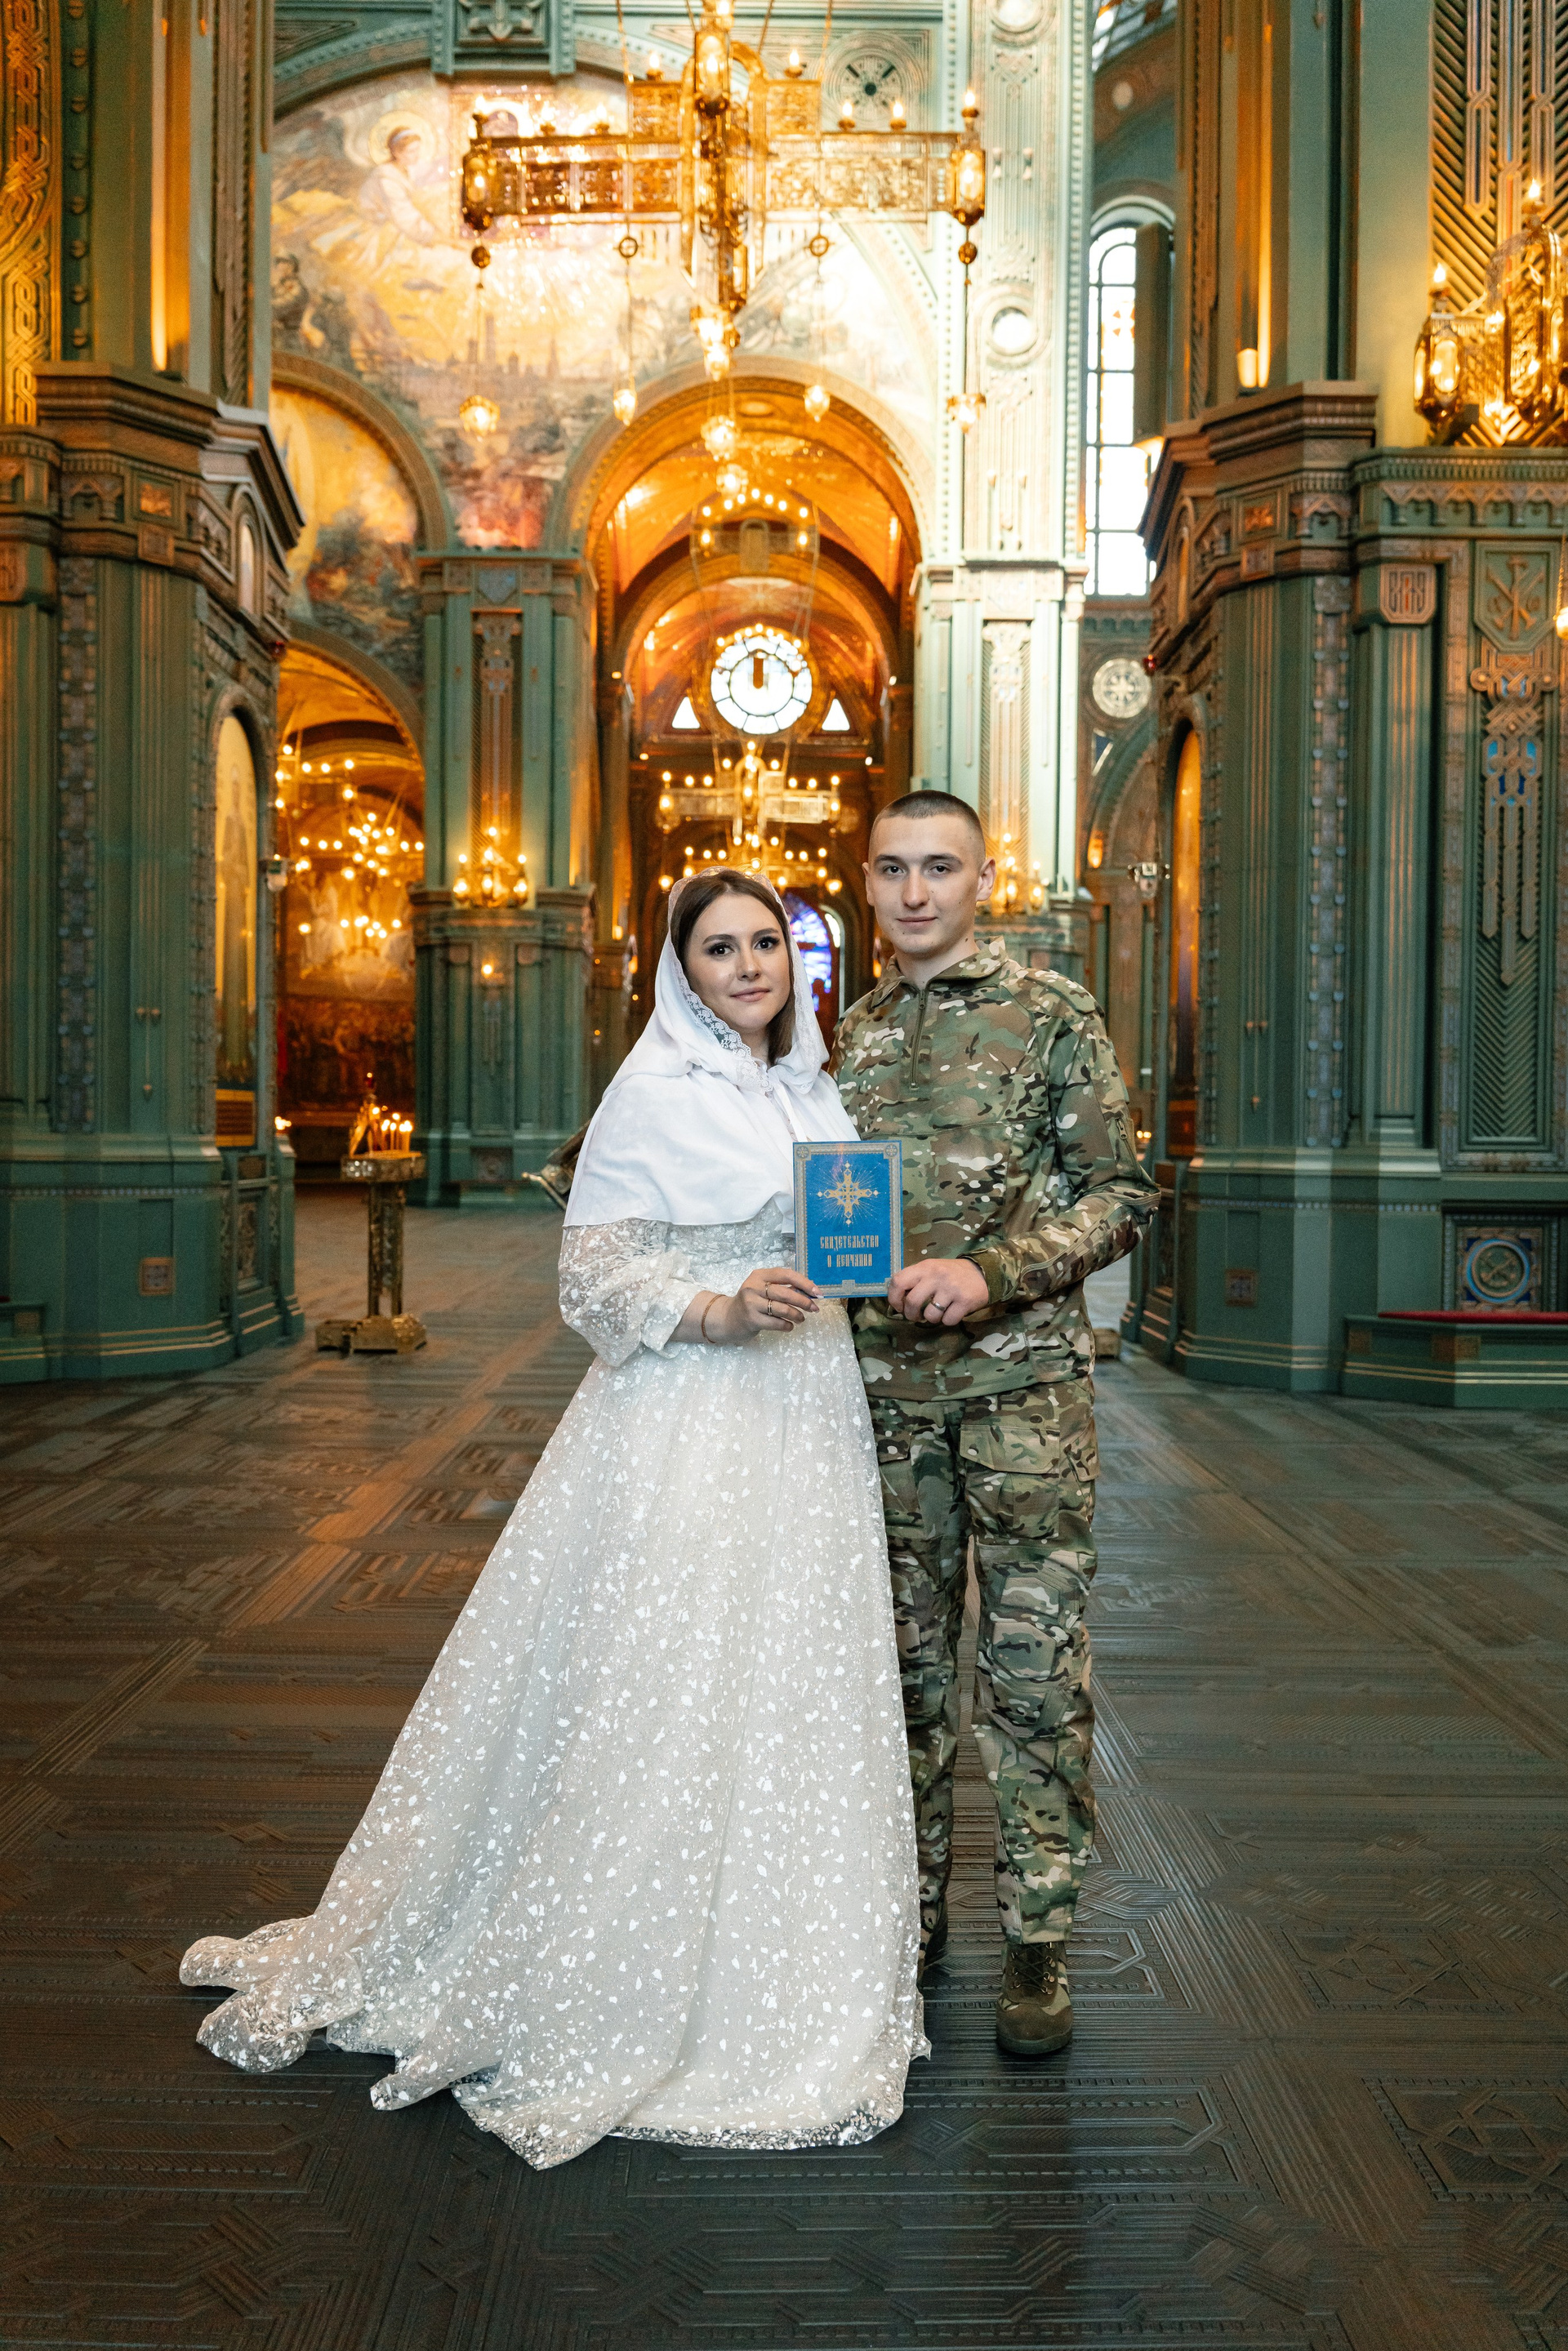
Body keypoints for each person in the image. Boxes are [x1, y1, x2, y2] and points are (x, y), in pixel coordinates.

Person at [180, 870, 924, 2167]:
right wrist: (719, 1308)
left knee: (790, 1663)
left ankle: (785, 1954)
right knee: (669, 1666)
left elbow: (836, 1228)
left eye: (766, 942)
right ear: (681, 971)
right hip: (692, 1412)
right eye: (719, 948)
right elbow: (592, 1274)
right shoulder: (654, 1092)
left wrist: (849, 1275)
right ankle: (613, 1958)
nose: (750, 966)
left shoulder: (810, 1088)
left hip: (807, 1407)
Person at [832, 791, 1158, 2057]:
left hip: (1024, 1403)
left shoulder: (1053, 1013)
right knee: (898, 1678)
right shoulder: (849, 1036)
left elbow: (1121, 1194)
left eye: (940, 868)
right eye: (893, 869)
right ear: (869, 882)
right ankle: (905, 1927)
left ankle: (1037, 1941)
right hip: (879, 1406)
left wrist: (994, 1273)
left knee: (1031, 1672)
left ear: (982, 879)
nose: (915, 892)